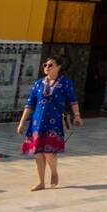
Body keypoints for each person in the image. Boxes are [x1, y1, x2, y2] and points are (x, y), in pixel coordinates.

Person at [16, 57, 82, 191]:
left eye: (50, 65)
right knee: (38, 153)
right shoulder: (39, 83)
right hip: (37, 121)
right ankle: (41, 182)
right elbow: (29, 104)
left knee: (49, 152)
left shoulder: (65, 82)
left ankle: (54, 172)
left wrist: (77, 115)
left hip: (54, 121)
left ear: (58, 67)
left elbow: (73, 100)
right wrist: (22, 122)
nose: (47, 67)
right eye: (45, 64)